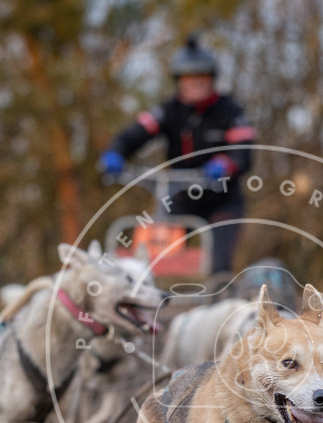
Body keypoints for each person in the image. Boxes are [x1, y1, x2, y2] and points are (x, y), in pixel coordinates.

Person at [99, 35, 255, 275]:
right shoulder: (167, 111)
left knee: (219, 264)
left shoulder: (230, 111)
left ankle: (220, 300)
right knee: (155, 257)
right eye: (189, 79)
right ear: (179, 81)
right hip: (180, 196)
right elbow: (134, 134)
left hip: (222, 200)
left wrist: (226, 164)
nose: (195, 84)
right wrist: (114, 153)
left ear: (212, 80)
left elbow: (243, 153)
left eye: (202, 78)